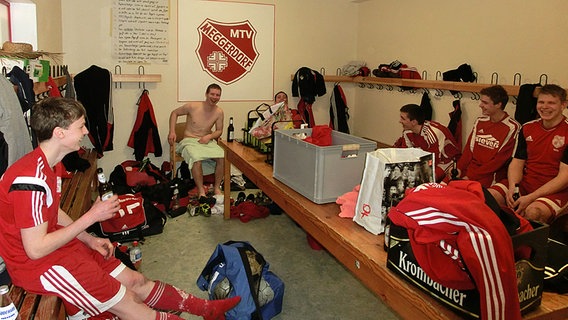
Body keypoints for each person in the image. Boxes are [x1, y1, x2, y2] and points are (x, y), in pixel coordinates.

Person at [0, 97, 240, 320]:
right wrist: (91, 217)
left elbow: (53, 213)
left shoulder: (49, 165)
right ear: (59, 133)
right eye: (81, 127)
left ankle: (205, 309)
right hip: (37, 265)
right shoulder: (30, 181)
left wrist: (89, 239)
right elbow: (35, 249)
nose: (86, 132)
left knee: (135, 280)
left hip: (58, 247)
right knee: (130, 303)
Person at [489, 84, 568, 224]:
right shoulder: (527, 128)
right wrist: (513, 188)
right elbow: (517, 163)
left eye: (551, 103)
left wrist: (531, 197)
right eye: (541, 102)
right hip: (526, 184)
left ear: (563, 105)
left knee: (533, 212)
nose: (544, 107)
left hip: (556, 191)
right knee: (489, 197)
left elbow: (564, 178)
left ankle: (527, 245)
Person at [453, 85, 521, 187]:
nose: (480, 105)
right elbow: (468, 150)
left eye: (485, 103)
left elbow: (499, 161)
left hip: (489, 176)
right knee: (441, 188)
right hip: (470, 170)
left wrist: (470, 176)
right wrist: (458, 168)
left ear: (498, 104)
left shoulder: (513, 127)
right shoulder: (480, 121)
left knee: (461, 194)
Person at [169, 83, 224, 198]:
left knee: (222, 157)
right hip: (190, 140)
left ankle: (216, 187)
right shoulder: (193, 106)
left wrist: (209, 137)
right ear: (206, 94)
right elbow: (174, 113)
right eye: (212, 94)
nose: (214, 97)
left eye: (217, 95)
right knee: (196, 158)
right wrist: (172, 131)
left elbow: (219, 131)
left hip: (207, 140)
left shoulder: (219, 112)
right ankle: (201, 191)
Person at [394, 103, 461, 182]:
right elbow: (407, 153)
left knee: (427, 179)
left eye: (403, 118)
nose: (400, 121)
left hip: (447, 160)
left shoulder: (432, 133)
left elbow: (433, 160)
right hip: (427, 159)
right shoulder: (407, 131)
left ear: (414, 122)